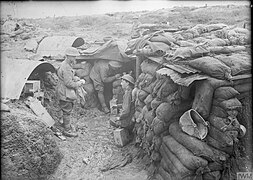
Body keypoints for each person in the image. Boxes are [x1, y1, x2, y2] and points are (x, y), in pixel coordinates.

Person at [56, 47, 85, 137]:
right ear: (68, 56)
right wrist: (79, 83)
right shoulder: (66, 67)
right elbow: (69, 83)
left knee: (65, 108)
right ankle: (67, 130)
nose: (75, 59)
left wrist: (74, 78)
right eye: (74, 57)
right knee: (67, 109)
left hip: (62, 89)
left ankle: (64, 122)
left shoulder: (66, 64)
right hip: (65, 91)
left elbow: (67, 78)